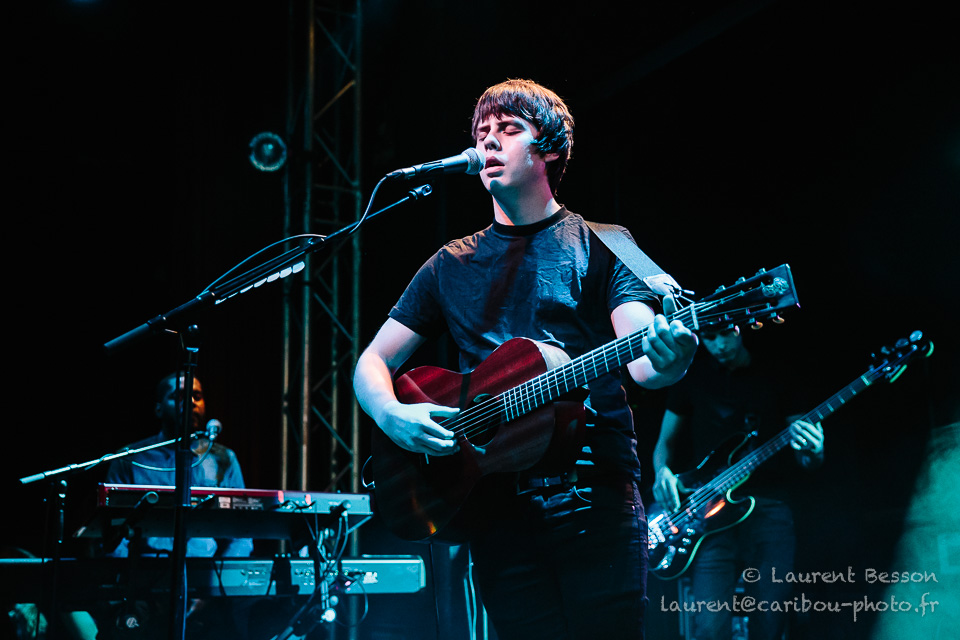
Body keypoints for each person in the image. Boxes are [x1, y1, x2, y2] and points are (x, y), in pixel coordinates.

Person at [354, 79, 698, 639]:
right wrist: (392, 415)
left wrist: (674, 354)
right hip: (493, 506)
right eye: (481, 132)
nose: (488, 141)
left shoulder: (604, 243)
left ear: (551, 149)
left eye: (509, 129)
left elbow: (644, 362)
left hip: (591, 496)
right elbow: (372, 361)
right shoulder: (450, 263)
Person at [652, 324, 824, 640]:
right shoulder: (692, 375)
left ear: (739, 328)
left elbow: (807, 458)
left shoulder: (777, 372)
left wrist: (814, 450)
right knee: (708, 629)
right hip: (709, 514)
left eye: (725, 334)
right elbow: (666, 442)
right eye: (709, 338)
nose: (719, 345)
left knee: (770, 626)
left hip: (770, 509)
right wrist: (662, 471)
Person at [105, 372, 253, 558]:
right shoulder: (130, 458)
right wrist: (126, 572)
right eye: (179, 396)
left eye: (197, 396)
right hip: (144, 569)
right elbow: (113, 529)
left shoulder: (223, 458)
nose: (191, 402)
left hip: (204, 570)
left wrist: (226, 572)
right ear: (158, 409)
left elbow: (241, 531)